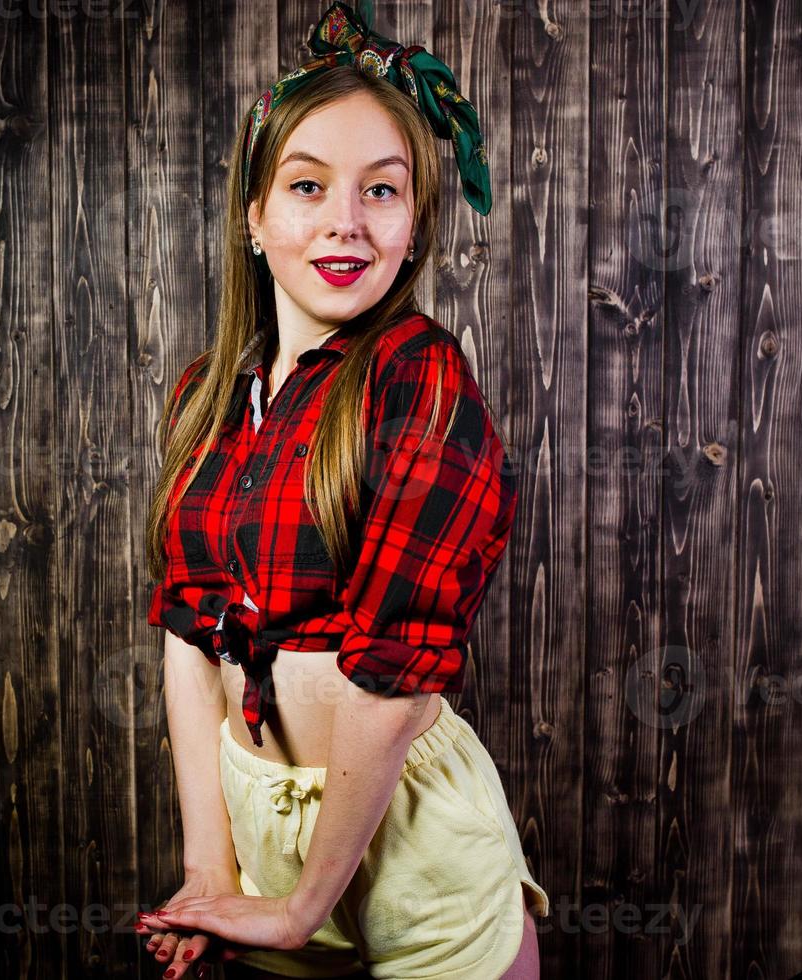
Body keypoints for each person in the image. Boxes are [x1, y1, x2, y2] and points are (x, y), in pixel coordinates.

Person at [137, 4, 549, 978]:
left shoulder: (421, 378)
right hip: (259, 818)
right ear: (256, 213)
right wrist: (213, 873)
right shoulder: (206, 396)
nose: (345, 221)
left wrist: (299, 908)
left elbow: (394, 676)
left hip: (407, 836)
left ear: (414, 230)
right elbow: (191, 637)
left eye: (383, 191)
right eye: (309, 185)